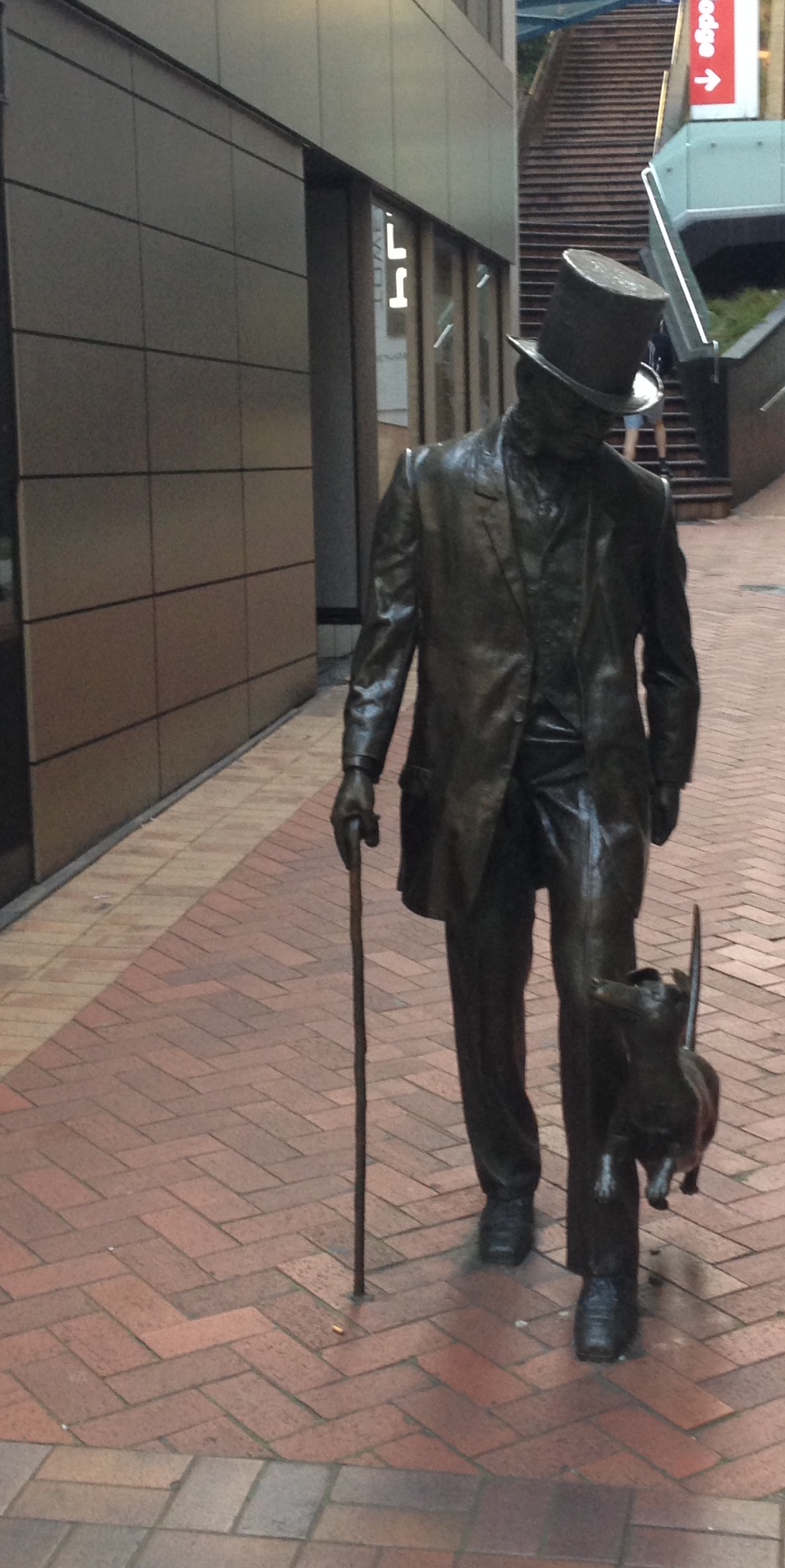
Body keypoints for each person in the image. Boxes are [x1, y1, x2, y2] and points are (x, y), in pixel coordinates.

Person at [331, 250, 699, 1363]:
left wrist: (665, 778)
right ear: (533, 385)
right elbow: (388, 637)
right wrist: (358, 765)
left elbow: (671, 663)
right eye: (577, 411)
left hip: (593, 784)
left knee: (598, 999)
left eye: (606, 417)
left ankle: (606, 1258)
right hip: (473, 784)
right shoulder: (433, 482)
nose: (592, 434)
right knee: (484, 997)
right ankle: (506, 1181)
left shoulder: (637, 504)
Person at [621, 321, 674, 475]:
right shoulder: (663, 340)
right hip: (654, 387)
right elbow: (668, 364)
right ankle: (663, 463)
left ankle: (627, 469)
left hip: (633, 388)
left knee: (631, 431)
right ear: (660, 324)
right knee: (658, 423)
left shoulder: (633, 339)